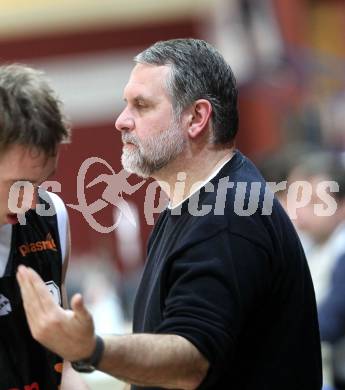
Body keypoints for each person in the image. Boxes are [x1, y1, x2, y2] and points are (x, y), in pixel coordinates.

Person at [16, 39, 322, 389]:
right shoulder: (197, 204)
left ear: (196, 117)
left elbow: (189, 360)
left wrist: (91, 348)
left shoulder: (227, 216)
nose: (121, 121)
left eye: (141, 106)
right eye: (125, 105)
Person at [0, 64, 88, 389]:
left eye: (41, 183)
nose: (27, 202)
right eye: (16, 184)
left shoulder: (52, 215)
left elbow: (61, 364)